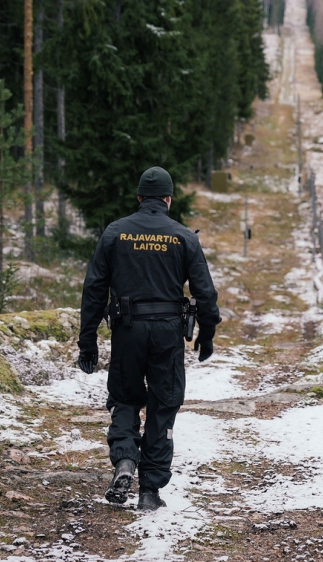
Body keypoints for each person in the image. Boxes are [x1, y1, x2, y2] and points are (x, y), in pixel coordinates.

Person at [76, 166, 220, 511]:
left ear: (140, 197)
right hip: (168, 333)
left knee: (125, 398)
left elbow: (94, 289)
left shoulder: (115, 232)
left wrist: (88, 340)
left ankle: (125, 459)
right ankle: (150, 491)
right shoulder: (183, 236)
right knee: (162, 405)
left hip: (127, 330)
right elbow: (206, 294)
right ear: (168, 199)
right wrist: (207, 333)